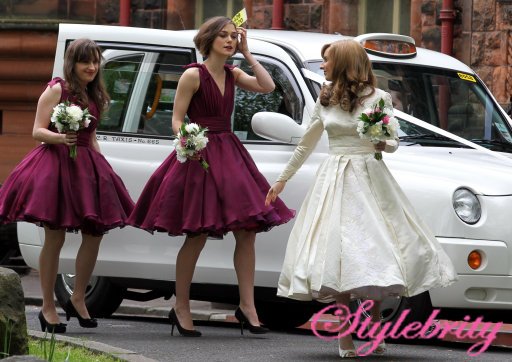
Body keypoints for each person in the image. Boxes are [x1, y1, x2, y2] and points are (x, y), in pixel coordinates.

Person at [265, 40, 458, 358]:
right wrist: (282, 179)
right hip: (335, 179)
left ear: (342, 63)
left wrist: (381, 143)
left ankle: (376, 328)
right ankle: (344, 336)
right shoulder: (324, 98)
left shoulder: (379, 98)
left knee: (375, 252)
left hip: (371, 178)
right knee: (339, 255)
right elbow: (306, 144)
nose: (323, 65)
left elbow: (393, 141)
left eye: (326, 60)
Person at [128, 16, 294, 337]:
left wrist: (248, 54)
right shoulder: (193, 75)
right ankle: (182, 306)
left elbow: (267, 86)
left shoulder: (234, 73)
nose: (230, 41)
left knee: (247, 231)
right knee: (197, 234)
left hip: (229, 152)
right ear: (209, 40)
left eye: (234, 36)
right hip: (199, 154)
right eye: (224, 37)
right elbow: (176, 120)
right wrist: (190, 141)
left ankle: (248, 306)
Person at [0, 39, 134, 333]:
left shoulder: (95, 94)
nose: (91, 67)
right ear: (71, 63)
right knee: (55, 238)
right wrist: (61, 138)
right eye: (85, 61)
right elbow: (37, 130)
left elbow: (93, 137)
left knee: (95, 233)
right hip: (56, 166)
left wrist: (104, 169)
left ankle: (77, 296)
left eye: (95, 61)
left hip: (86, 165)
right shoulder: (57, 89)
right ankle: (47, 306)